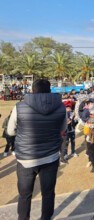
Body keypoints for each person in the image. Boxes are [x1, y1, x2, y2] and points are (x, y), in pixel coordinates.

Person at [7, 79, 66, 220]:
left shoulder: (19, 107)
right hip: (51, 156)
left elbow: (10, 131)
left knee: (25, 194)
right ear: (50, 90)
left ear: (32, 90)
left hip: (26, 159)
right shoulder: (61, 106)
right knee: (48, 192)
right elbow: (63, 130)